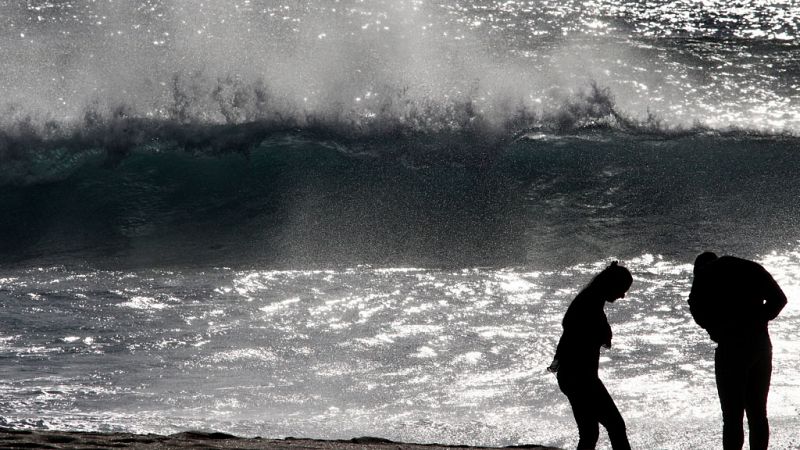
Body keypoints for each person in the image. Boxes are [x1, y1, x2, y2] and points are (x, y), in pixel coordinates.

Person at [688, 252, 787, 450]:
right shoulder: (751, 267)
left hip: (731, 349)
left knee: (732, 418)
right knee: (758, 414)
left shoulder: (704, 273)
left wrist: (714, 329)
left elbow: (695, 306)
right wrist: (757, 320)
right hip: (761, 346)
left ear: (699, 268)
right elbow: (780, 299)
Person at [549, 261, 633, 450]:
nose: (622, 295)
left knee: (590, 433)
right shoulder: (589, 304)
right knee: (614, 426)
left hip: (573, 375)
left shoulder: (590, 300)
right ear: (612, 285)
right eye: (622, 289)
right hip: (580, 377)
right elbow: (582, 340)